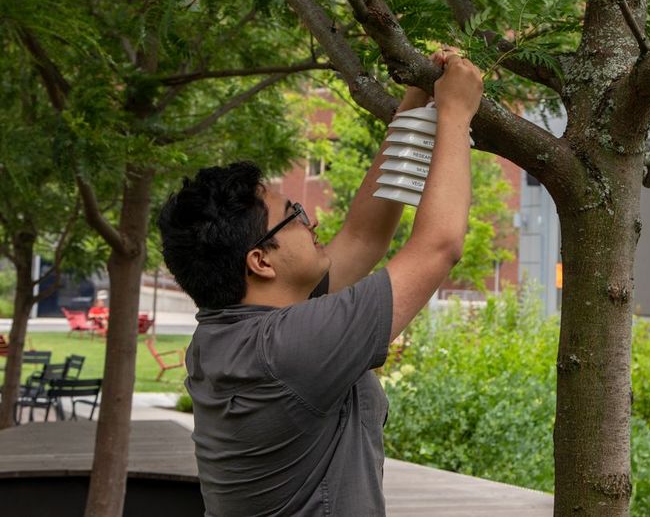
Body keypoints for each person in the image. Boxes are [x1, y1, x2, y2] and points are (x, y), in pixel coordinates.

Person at [157, 49, 482, 516]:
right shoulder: (285, 349)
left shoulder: (232, 333)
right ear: (261, 261)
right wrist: (455, 113)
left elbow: (364, 236)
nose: (309, 221)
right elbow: (438, 246)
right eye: (293, 217)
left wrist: (415, 102)